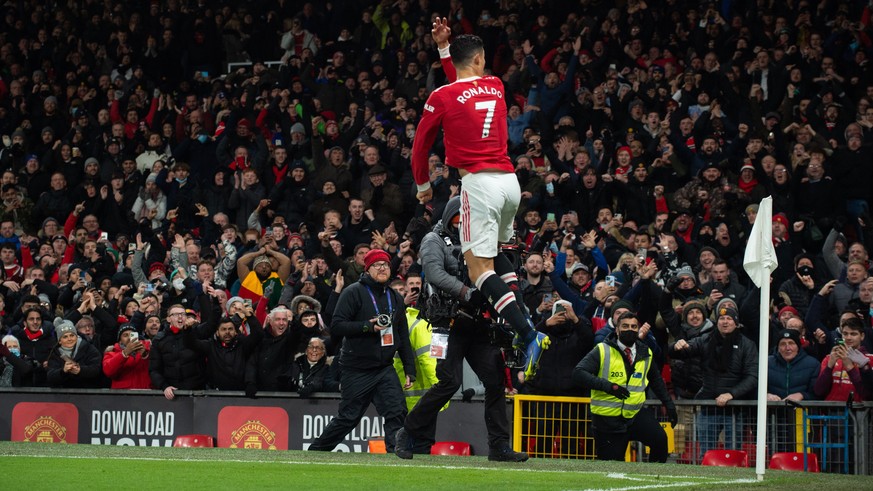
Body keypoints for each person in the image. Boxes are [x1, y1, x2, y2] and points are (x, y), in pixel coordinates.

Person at [411, 18, 548, 380]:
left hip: (478, 186)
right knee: (498, 254)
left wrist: (423, 185)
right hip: (509, 184)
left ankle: (526, 332)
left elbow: (419, 147)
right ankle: (523, 316)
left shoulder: (441, 96)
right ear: (481, 59)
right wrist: (446, 48)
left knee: (478, 270)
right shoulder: (495, 85)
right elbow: (463, 78)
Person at [395, 196, 527, 462]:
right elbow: (434, 274)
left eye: (466, 221)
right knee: (448, 382)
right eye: (459, 220)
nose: (462, 225)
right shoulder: (433, 240)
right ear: (450, 218)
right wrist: (467, 292)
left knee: (495, 380)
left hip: (478, 323)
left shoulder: (477, 241)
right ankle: (407, 432)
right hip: (448, 322)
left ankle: (499, 446)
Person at [309, 249, 415, 452]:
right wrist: (367, 326)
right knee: (348, 418)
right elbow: (337, 326)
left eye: (385, 264)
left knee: (397, 411)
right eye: (377, 265)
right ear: (368, 269)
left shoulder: (395, 297)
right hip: (356, 368)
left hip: (384, 367)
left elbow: (402, 336)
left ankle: (396, 453)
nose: (383, 268)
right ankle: (317, 450)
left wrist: (410, 369)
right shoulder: (353, 292)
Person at [573, 311, 677, 462]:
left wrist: (668, 404)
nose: (630, 329)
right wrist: (609, 387)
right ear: (617, 329)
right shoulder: (602, 349)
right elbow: (578, 373)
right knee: (611, 467)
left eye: (634, 326)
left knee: (660, 440)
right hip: (607, 420)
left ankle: (654, 480)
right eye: (625, 326)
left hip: (634, 414)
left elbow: (655, 379)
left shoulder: (645, 351)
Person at [669, 306, 758, 453]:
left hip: (736, 408)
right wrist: (676, 346)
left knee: (733, 453)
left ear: (736, 323)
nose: (725, 322)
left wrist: (731, 394)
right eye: (721, 318)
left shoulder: (747, 345)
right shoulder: (706, 339)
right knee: (706, 453)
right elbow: (681, 351)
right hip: (708, 405)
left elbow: (752, 376)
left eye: (729, 318)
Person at [102, 323, 153, 389]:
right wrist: (124, 353)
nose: (129, 338)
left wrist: (145, 355)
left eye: (132, 335)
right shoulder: (112, 353)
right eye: (125, 335)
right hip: (123, 395)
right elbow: (108, 372)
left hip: (146, 394)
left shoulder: (148, 349)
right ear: (120, 340)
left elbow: (156, 369)